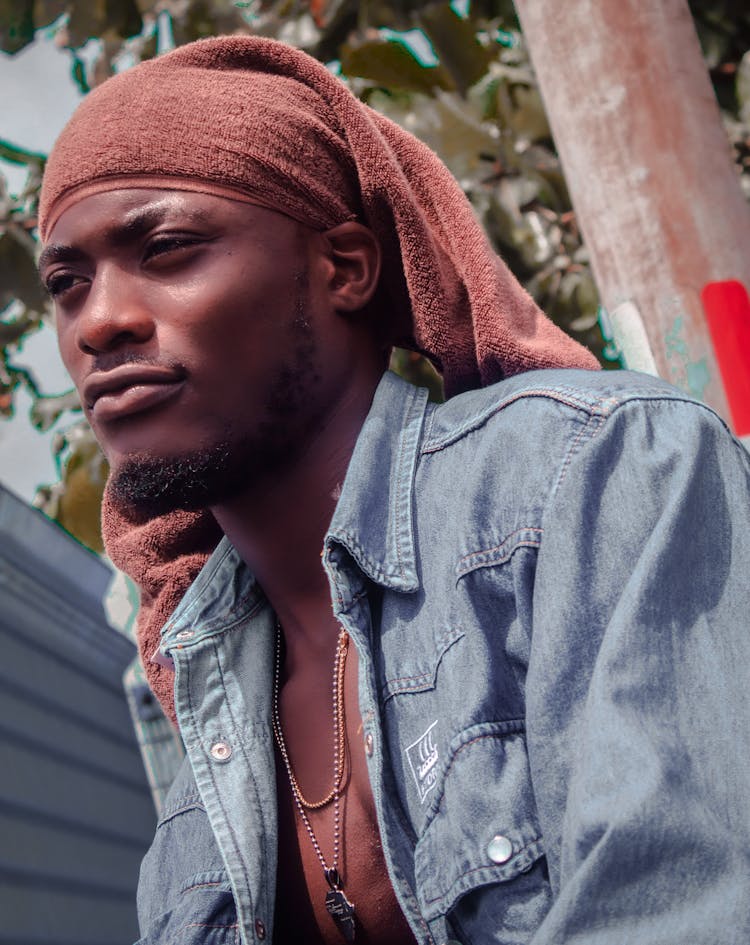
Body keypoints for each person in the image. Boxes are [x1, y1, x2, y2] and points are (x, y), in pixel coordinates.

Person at [38, 35, 750, 945]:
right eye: (67, 282)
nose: (100, 320)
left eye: (168, 248)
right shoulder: (194, 776)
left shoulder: (597, 474)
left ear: (345, 268)